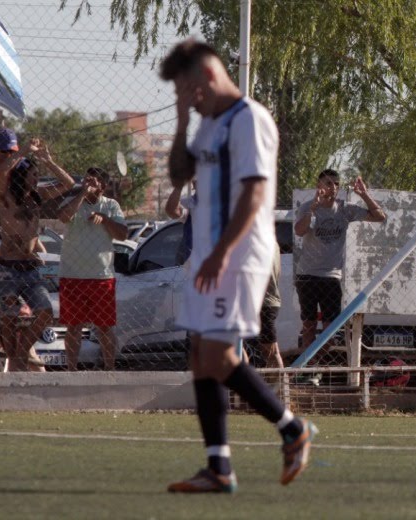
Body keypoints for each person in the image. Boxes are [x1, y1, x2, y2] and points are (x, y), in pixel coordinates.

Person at [159, 38, 315, 493]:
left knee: (220, 356)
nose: (188, 97)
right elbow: (175, 174)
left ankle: (292, 428)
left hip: (239, 253)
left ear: (207, 75)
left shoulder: (250, 119)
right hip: (210, 254)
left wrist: (222, 253)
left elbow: (254, 194)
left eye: (189, 89)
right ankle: (219, 467)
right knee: (200, 358)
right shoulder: (208, 124)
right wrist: (183, 117)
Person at [0, 139, 75, 371]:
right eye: (33, 174)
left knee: (45, 311)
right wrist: (25, 152)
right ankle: (16, 365)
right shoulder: (7, 197)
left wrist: (48, 161)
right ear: (21, 176)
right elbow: (0, 174)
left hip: (30, 268)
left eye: (38, 174)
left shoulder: (37, 196)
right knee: (7, 318)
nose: (36, 178)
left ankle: (20, 355)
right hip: (8, 266)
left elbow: (67, 183)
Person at [293, 168, 385, 353]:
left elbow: (379, 217)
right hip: (308, 275)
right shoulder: (307, 208)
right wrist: (312, 209)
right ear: (319, 186)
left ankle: (318, 366)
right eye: (328, 183)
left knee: (330, 330)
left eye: (336, 184)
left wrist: (364, 194)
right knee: (309, 325)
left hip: (332, 276)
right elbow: (299, 231)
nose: (333, 187)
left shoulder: (344, 209)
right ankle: (306, 370)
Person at [57, 167, 128, 371]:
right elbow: (63, 217)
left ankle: (109, 368)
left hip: (101, 275)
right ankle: (71, 368)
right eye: (86, 180)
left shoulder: (111, 205)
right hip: (72, 274)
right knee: (74, 325)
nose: (89, 184)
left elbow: (123, 235)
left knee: (105, 326)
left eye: (94, 181)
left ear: (102, 186)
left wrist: (105, 219)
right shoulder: (73, 202)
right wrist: (82, 194)